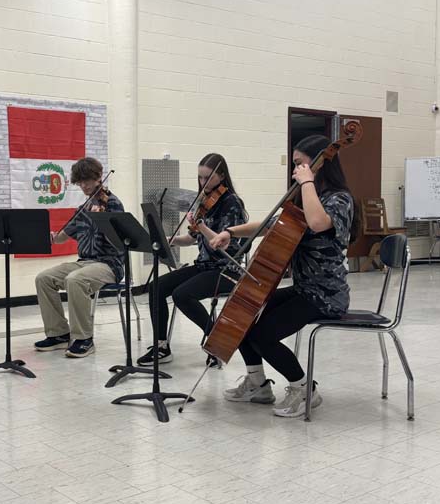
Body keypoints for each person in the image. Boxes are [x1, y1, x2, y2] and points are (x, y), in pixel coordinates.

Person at [210, 135, 357, 418]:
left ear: (319, 164)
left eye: (299, 164)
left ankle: (305, 389)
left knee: (264, 335)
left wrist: (307, 182)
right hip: (303, 288)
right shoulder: (307, 195)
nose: (294, 171)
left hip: (325, 294)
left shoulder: (340, 198)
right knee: (244, 313)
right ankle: (257, 384)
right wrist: (230, 232)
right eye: (294, 165)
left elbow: (317, 222)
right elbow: (272, 224)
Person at [137, 153, 247, 366]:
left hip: (225, 269)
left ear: (222, 176)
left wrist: (202, 225)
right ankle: (161, 346)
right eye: (200, 177)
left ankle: (215, 339)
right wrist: (172, 240)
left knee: (181, 295)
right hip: (204, 266)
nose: (203, 183)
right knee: (155, 287)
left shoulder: (231, 202)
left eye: (208, 178)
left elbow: (223, 244)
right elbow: (191, 238)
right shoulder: (203, 201)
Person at [34, 157, 124, 358]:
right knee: (44, 278)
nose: (83, 186)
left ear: (99, 177)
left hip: (109, 264)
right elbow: (62, 237)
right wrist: (52, 237)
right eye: (80, 182)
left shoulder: (113, 203)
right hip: (84, 262)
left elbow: (120, 240)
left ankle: (84, 339)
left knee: (75, 280)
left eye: (87, 181)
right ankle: (58, 333)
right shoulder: (84, 207)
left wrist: (101, 220)